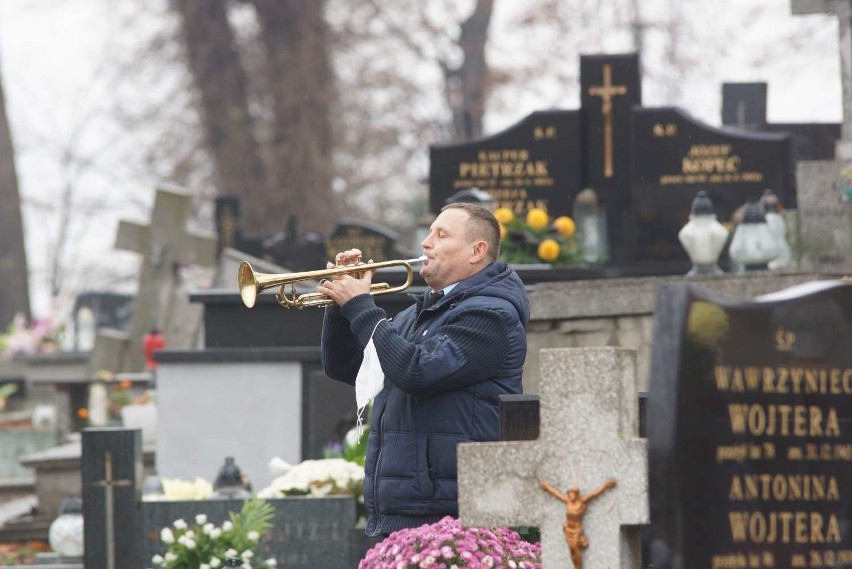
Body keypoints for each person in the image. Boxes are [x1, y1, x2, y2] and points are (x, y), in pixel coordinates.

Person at [318, 202, 530, 537]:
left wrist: (360, 304)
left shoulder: (492, 317)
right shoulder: (417, 315)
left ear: (477, 251)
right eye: (429, 233)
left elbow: (417, 372)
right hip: (400, 512)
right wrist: (338, 303)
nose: (425, 243)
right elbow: (348, 367)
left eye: (441, 235)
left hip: (453, 518)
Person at [540, 479, 616, 569]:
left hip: (576, 530)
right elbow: (557, 494)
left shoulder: (582, 502)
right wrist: (547, 487)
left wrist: (605, 485)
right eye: (569, 494)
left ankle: (578, 567)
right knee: (571, 549)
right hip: (568, 529)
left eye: (572, 494)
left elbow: (594, 494)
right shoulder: (568, 502)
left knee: (575, 548)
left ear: (576, 494)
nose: (570, 496)